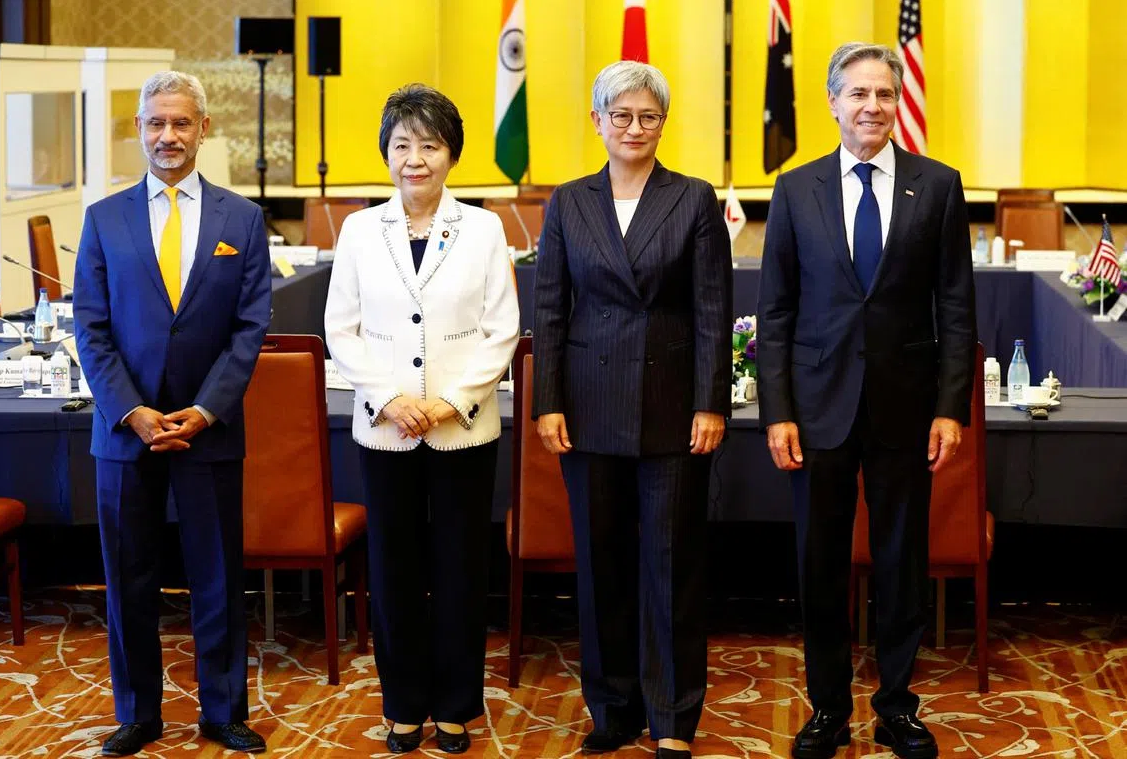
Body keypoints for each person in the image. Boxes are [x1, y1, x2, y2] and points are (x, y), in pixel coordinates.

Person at [756, 43, 977, 759]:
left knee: (900, 564)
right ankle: (826, 709)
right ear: (833, 102)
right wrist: (778, 411)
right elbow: (777, 312)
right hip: (817, 411)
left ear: (897, 103)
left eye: (884, 94)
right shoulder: (796, 189)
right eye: (858, 94)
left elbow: (956, 307)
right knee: (818, 565)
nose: (873, 107)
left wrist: (950, 408)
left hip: (906, 411)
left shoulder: (938, 186)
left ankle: (897, 706)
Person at [532, 61, 732, 759]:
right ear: (597, 122)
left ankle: (673, 717)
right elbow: (550, 308)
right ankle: (612, 710)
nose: (634, 128)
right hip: (587, 407)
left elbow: (713, 310)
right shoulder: (568, 201)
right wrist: (547, 403)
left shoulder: (694, 199)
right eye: (620, 115)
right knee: (601, 566)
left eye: (648, 116)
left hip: (675, 410)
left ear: (663, 124)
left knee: (671, 567)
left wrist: (712, 402)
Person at [74, 71, 271, 756]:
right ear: (138, 130)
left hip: (207, 432)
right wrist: (131, 412)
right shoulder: (103, 219)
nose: (168, 136)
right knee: (129, 578)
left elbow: (250, 329)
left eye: (181, 123)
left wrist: (205, 410)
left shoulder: (241, 220)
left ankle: (222, 711)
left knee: (218, 578)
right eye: (156, 123)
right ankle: (137, 713)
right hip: (125, 434)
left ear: (204, 129)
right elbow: (90, 330)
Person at [324, 84, 519, 755]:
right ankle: (404, 705)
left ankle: (457, 707)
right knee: (395, 568)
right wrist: (389, 397)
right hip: (386, 430)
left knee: (461, 568)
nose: (415, 159)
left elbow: (502, 329)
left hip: (462, 429)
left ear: (451, 155)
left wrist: (450, 401)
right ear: (386, 154)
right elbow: (340, 329)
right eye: (402, 145)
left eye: (429, 145)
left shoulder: (486, 228)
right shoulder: (357, 230)